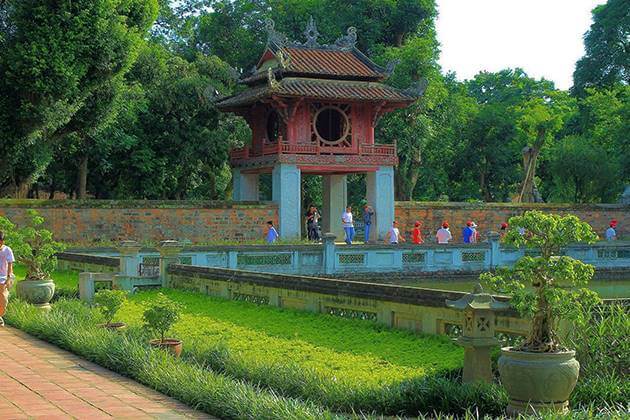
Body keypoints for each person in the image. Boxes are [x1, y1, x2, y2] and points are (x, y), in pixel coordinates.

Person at [0, 231, 15, 327]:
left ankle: (0, 315)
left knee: (4, 299)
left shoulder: (7, 250)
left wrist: (9, 278)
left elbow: (10, 265)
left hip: (3, 278)